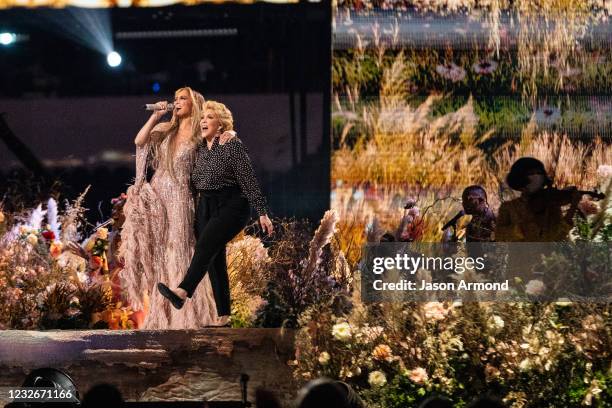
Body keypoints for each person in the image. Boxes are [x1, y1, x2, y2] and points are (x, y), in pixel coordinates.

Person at [120, 87, 233, 329]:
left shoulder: (199, 136)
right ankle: (163, 316)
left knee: (180, 247)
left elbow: (218, 150)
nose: (177, 102)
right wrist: (155, 116)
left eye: (183, 99)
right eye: (176, 99)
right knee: (161, 251)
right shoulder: (166, 130)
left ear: (194, 104)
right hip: (157, 196)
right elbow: (139, 141)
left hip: (181, 196)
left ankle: (187, 316)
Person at [157, 101, 273, 326]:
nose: (203, 121)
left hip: (231, 205)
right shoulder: (200, 147)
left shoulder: (232, 145)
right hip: (206, 206)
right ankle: (224, 316)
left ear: (221, 124)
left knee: (204, 247)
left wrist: (262, 212)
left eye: (209, 117)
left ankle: (182, 292)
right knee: (214, 261)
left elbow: (248, 180)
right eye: (203, 117)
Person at [495, 157, 581, 242]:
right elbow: (498, 235)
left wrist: (573, 206)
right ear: (520, 179)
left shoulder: (550, 205)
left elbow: (558, 236)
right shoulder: (508, 207)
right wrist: (519, 230)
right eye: (531, 173)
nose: (536, 177)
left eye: (539, 173)